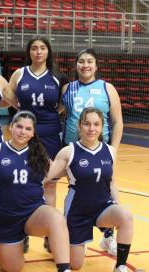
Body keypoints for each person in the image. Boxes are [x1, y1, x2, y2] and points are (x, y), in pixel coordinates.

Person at [0, 110, 78, 272]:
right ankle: (10, 240)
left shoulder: (40, 154)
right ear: (10, 127)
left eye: (28, 129)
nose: (22, 131)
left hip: (33, 213)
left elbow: (51, 176)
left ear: (33, 132)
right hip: (7, 217)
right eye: (19, 126)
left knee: (56, 219)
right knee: (12, 269)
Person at [46, 107, 134, 272]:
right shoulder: (69, 152)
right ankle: (64, 240)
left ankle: (120, 267)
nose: (91, 128)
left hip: (103, 208)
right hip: (78, 212)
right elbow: (46, 177)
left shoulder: (109, 151)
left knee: (126, 216)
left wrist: (117, 205)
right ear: (79, 126)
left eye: (96, 124)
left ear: (102, 127)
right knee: (76, 265)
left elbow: (111, 182)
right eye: (87, 124)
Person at [60, 48, 124, 256]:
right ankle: (78, 234)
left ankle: (108, 237)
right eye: (81, 61)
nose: (85, 65)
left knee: (105, 191)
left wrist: (113, 148)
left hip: (100, 148)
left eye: (89, 61)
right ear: (76, 65)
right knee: (76, 191)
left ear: (96, 66)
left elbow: (117, 121)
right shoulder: (68, 88)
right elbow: (59, 113)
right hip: (72, 149)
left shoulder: (107, 88)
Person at [3, 36, 66, 208]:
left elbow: (62, 105)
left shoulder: (57, 76)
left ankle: (48, 228)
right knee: (23, 179)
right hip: (24, 133)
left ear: (48, 52)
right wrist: (22, 111)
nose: (38, 52)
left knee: (50, 182)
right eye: (34, 48)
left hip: (50, 133)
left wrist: (50, 115)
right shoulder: (19, 74)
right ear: (29, 52)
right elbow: (8, 94)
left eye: (42, 48)